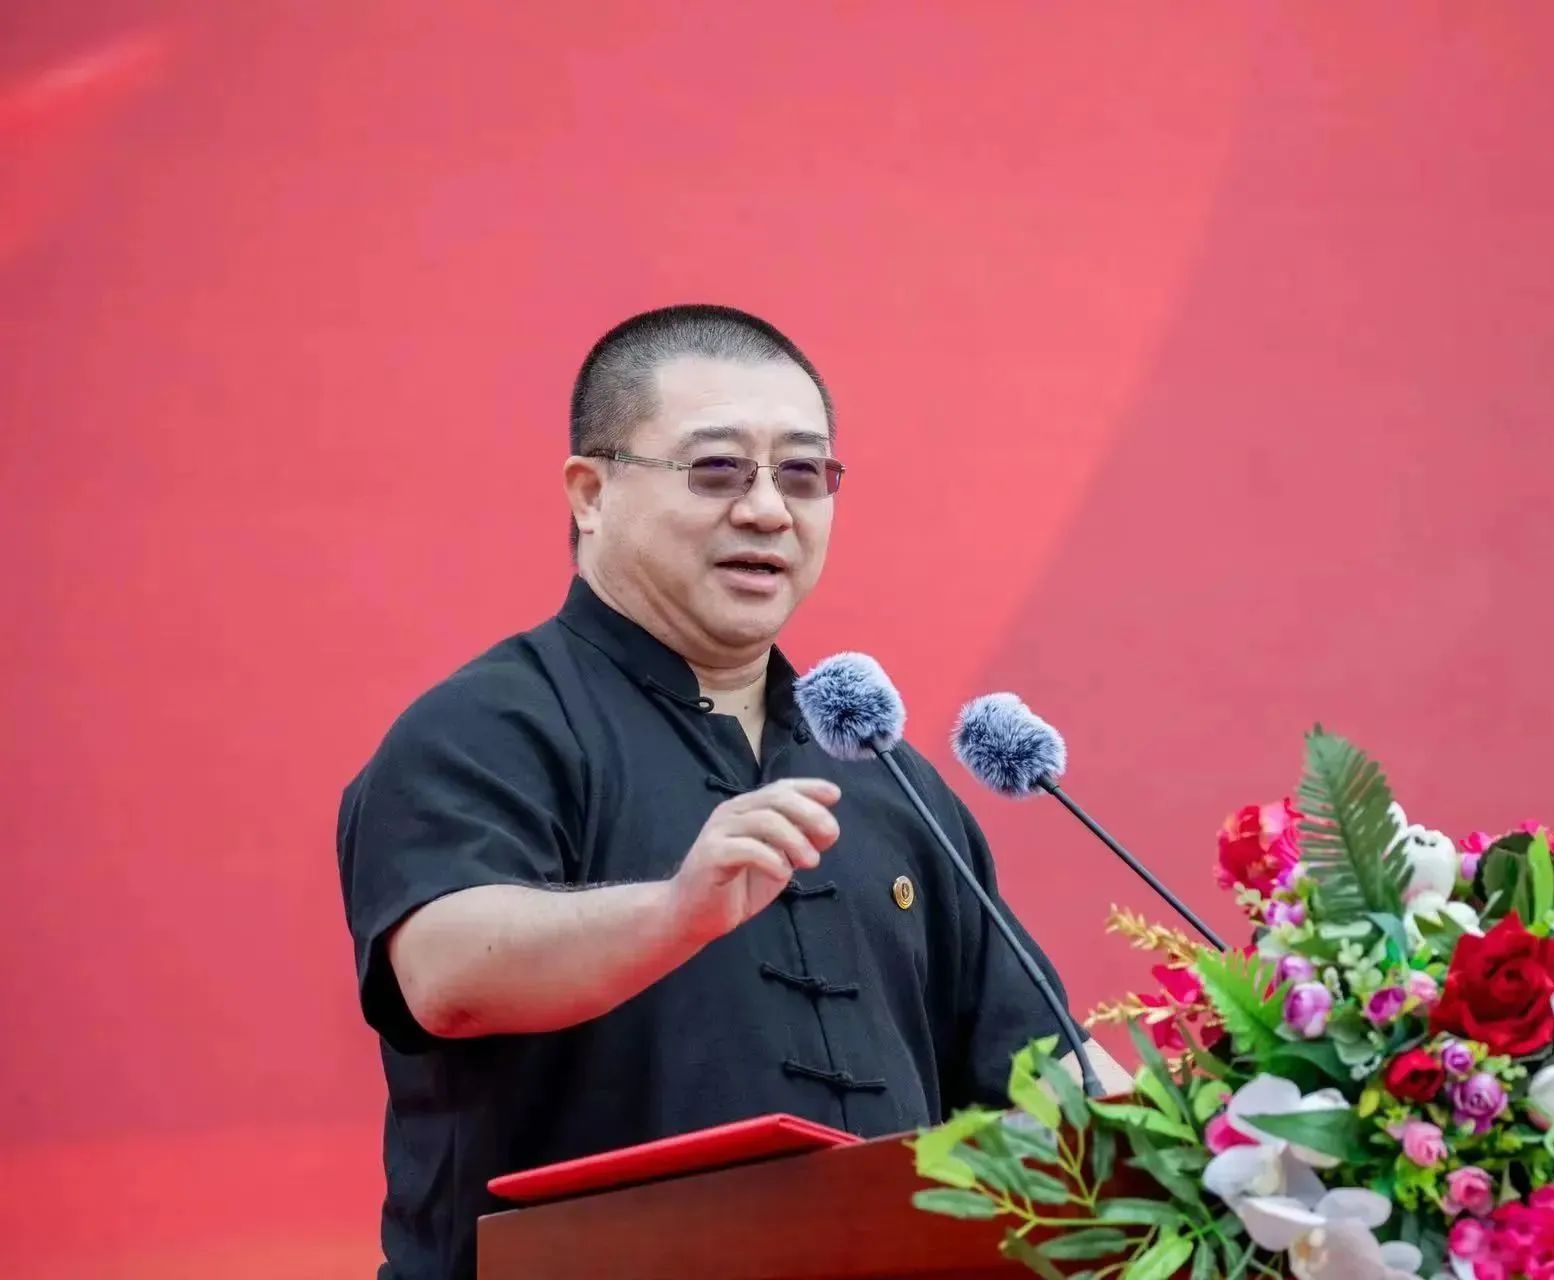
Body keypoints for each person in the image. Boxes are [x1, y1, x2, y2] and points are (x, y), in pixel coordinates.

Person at [335, 304, 1123, 1280]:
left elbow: (1045, 1077)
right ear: (591, 492)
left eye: (803, 474)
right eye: (717, 469)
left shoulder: (887, 778)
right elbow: (446, 977)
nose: (767, 510)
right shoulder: (490, 725)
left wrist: (1224, 1128)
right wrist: (675, 913)